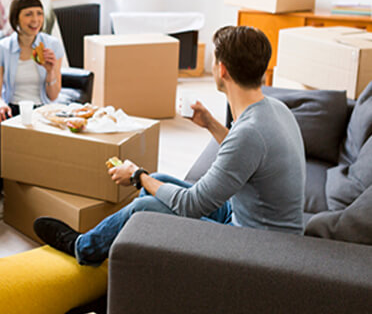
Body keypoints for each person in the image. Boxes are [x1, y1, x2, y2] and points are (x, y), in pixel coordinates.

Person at [34, 25, 306, 266]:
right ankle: (131, 252)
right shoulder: (274, 108)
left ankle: (84, 249)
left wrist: (137, 176)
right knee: (160, 180)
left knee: (144, 206)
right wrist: (210, 123)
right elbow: (248, 157)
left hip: (256, 246)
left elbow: (191, 205)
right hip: (250, 219)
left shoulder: (249, 132)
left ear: (221, 70)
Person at [0, 0, 65, 175]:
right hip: (11, 106)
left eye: (39, 13)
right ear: (16, 19)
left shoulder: (52, 46)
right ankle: (5, 180)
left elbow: (53, 96)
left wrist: (51, 70)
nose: (35, 19)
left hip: (42, 107)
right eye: (28, 14)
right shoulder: (2, 49)